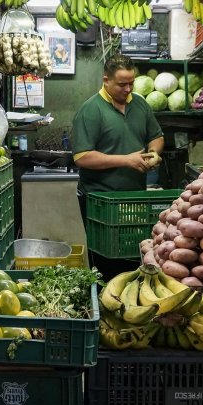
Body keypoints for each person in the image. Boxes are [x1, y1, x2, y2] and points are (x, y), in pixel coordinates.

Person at [71, 53, 164, 275]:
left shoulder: (140, 104)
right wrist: (126, 160)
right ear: (106, 80)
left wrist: (154, 153)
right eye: (122, 84)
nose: (128, 89)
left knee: (134, 257)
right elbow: (82, 157)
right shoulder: (90, 110)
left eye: (131, 83)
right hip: (100, 202)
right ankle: (104, 305)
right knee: (105, 264)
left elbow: (157, 136)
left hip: (133, 198)